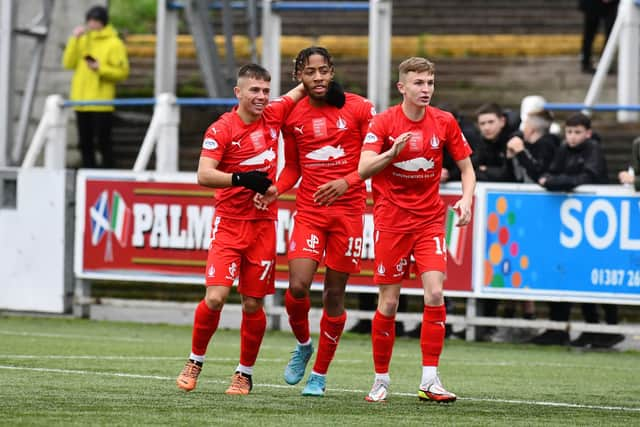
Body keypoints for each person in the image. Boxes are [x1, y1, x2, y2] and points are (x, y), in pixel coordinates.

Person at [176, 64, 305, 395]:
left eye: (265, 90)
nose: (262, 97)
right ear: (239, 93)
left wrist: (313, 73)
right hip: (229, 223)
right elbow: (204, 174)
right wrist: (240, 178)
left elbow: (301, 90)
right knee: (216, 297)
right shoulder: (222, 129)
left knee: (252, 304)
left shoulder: (274, 115)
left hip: (262, 226)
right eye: (254, 91)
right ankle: (194, 360)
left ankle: (244, 373)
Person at [255, 46, 374, 397]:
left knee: (334, 295)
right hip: (309, 211)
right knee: (297, 287)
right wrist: (276, 188)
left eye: (323, 70)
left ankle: (319, 375)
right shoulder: (292, 116)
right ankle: (304, 344)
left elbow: (373, 158)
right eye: (310, 72)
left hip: (350, 213)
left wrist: (346, 183)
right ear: (298, 77)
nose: (318, 77)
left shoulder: (359, 108)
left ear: (332, 71)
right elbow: (293, 166)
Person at [357, 57, 475, 403]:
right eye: (419, 83)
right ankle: (380, 380)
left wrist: (467, 199)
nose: (426, 89)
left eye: (430, 83)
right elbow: (364, 168)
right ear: (402, 87)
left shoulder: (445, 122)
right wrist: (391, 154)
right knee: (389, 302)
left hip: (428, 222)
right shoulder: (384, 122)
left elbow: (467, 169)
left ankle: (430, 380)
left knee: (435, 294)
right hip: (391, 222)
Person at [533, 113, 623, 348]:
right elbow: (551, 175)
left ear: (588, 133)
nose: (572, 137)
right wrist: (561, 180)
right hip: (573, 227)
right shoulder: (563, 149)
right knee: (579, 276)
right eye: (569, 132)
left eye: (577, 132)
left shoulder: (593, 150)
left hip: (598, 224)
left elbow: (587, 177)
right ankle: (590, 327)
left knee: (597, 277)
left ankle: (609, 328)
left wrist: (558, 181)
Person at [62, 5, 129, 168]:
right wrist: (74, 39)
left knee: (103, 142)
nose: (92, 24)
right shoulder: (82, 39)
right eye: (90, 20)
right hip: (81, 101)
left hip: (102, 103)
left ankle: (108, 174)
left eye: (96, 21)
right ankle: (87, 172)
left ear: (103, 22)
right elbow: (68, 63)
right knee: (84, 143)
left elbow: (122, 72)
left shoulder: (114, 43)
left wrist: (100, 69)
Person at [578, 0, 619, 73]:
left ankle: (605, 62)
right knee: (589, 32)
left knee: (611, 33)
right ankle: (586, 61)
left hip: (611, 5)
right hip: (592, 3)